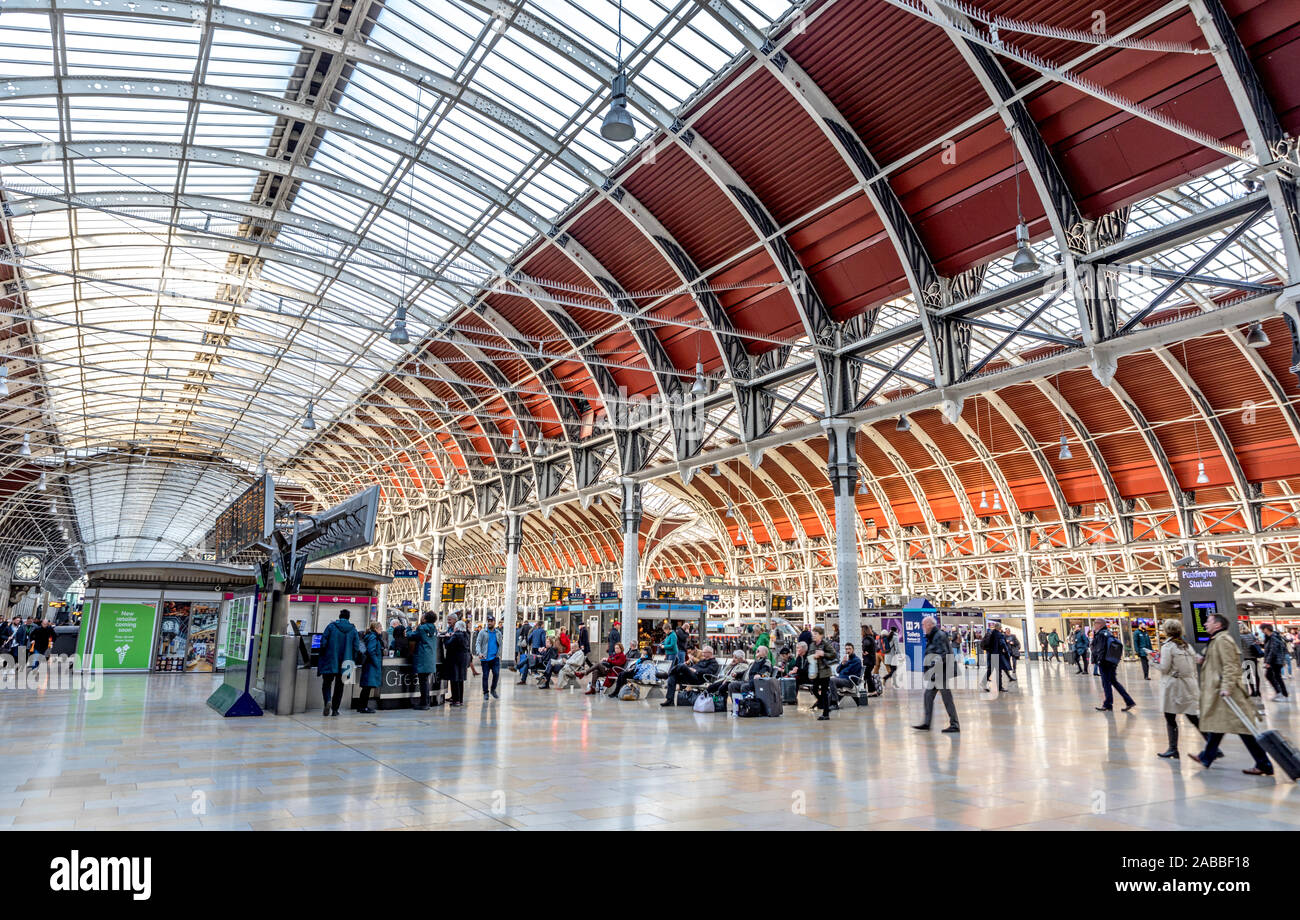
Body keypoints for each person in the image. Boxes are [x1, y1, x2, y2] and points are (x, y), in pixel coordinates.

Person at [1193, 613, 1274, 775]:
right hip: (1221, 693)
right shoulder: (1216, 640)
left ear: (1218, 625)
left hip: (1228, 693)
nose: (1205, 623)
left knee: (1243, 728)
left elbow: (1231, 666)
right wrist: (1203, 660)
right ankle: (1206, 756)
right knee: (1219, 724)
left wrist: (1227, 687)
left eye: (1208, 621)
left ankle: (1264, 764)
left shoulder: (1223, 640)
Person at [1153, 619, 1206, 759]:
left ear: (1166, 631)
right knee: (1193, 716)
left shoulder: (1168, 646)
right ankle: (1213, 746)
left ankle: (1172, 748)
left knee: (1170, 716)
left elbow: (1164, 668)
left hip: (1174, 686)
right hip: (1190, 684)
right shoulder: (1187, 645)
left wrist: (1153, 660)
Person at [913, 616, 959, 733]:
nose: (923, 627)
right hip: (937, 672)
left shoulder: (939, 635)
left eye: (923, 625)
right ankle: (927, 723)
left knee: (946, 698)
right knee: (928, 696)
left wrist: (933, 667)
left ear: (929, 625)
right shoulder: (933, 636)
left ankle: (954, 724)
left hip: (941, 672)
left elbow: (942, 654)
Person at [317, 609, 361, 716]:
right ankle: (335, 710)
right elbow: (356, 647)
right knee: (339, 687)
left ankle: (327, 700)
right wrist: (352, 659)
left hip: (330, 660)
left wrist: (322, 655)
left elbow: (323, 642)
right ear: (348, 617)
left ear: (339, 616)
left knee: (326, 684)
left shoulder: (331, 626)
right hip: (346, 662)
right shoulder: (353, 630)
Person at [1092, 619, 1136, 712]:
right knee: (1114, 682)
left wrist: (1098, 661)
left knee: (1106, 683)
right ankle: (1129, 701)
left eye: (1095, 623)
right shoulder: (1108, 633)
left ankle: (1107, 704)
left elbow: (1100, 649)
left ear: (1100, 624)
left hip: (1104, 663)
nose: (1094, 625)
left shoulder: (1100, 634)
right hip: (1111, 662)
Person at [410, 612, 439, 710]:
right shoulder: (434, 628)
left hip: (423, 657)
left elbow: (412, 636)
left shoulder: (422, 628)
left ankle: (424, 704)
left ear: (425, 619)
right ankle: (426, 702)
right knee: (425, 681)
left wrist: (408, 629)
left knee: (423, 681)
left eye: (423, 616)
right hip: (430, 657)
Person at [806, 627, 836, 720]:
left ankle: (825, 713)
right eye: (813, 634)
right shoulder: (811, 645)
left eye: (816, 634)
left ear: (821, 635)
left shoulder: (825, 644)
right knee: (814, 689)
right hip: (815, 671)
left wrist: (823, 654)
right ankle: (823, 703)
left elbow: (833, 654)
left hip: (824, 672)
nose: (813, 636)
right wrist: (813, 656)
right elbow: (808, 656)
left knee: (824, 692)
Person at [357, 621, 384, 714]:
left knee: (366, 687)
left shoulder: (372, 636)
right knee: (367, 687)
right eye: (380, 627)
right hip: (371, 665)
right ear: (375, 628)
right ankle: (363, 707)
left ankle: (361, 706)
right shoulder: (373, 637)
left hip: (369, 664)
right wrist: (376, 663)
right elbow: (371, 651)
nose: (382, 629)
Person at [443, 620, 470, 707]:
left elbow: (447, 645)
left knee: (454, 679)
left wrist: (447, 637)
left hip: (454, 659)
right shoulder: (466, 635)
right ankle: (460, 700)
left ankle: (456, 700)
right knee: (460, 680)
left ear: (457, 628)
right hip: (463, 659)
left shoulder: (456, 635)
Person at [475, 614, 502, 699]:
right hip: (485, 658)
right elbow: (478, 643)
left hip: (495, 658)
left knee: (496, 674)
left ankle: (493, 689)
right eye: (488, 621)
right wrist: (479, 653)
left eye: (491, 621)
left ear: (494, 622)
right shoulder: (482, 632)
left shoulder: (498, 633)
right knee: (485, 676)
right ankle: (485, 692)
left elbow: (500, 644)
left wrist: (499, 654)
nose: (489, 623)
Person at [1260, 623, 1290, 700]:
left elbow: (1273, 651)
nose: (1262, 631)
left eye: (1262, 629)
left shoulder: (1273, 637)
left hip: (1275, 661)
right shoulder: (1270, 637)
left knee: (1272, 676)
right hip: (1275, 660)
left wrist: (1268, 662)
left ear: (1266, 629)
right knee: (1276, 676)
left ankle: (1281, 693)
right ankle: (1283, 693)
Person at [981, 627, 1008, 692]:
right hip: (996, 654)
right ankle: (1000, 687)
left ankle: (984, 682)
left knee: (991, 669)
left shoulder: (988, 634)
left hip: (990, 654)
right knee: (998, 671)